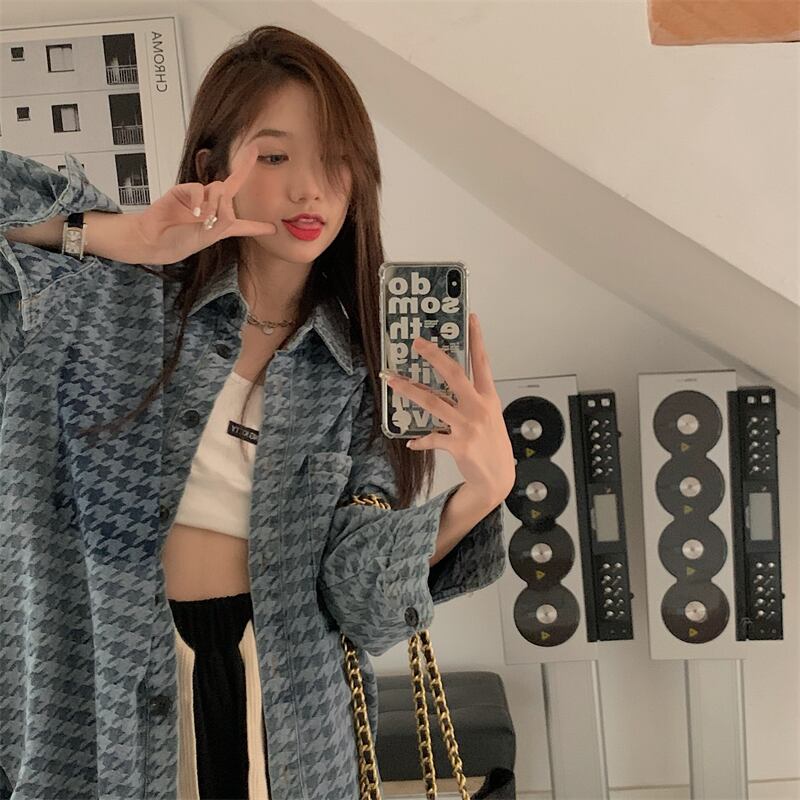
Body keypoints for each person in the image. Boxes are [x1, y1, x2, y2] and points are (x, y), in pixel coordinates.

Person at [0, 24, 513, 800]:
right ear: (213, 167)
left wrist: (481, 491)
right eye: (275, 157)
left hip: (288, 712)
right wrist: (121, 234)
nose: (311, 189)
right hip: (98, 687)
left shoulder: (354, 369)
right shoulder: (94, 302)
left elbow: (363, 604)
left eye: (334, 158)